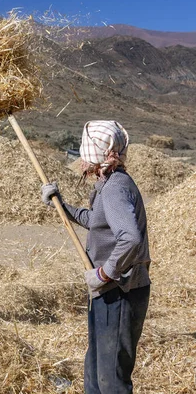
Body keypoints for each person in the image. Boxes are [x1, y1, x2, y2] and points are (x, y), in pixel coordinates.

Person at [41, 120, 150, 394]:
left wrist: (104, 273)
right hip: (108, 292)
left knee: (110, 380)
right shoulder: (109, 182)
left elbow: (130, 237)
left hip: (120, 292)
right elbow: (97, 220)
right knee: (95, 371)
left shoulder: (115, 188)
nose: (82, 162)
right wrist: (61, 205)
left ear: (98, 156)